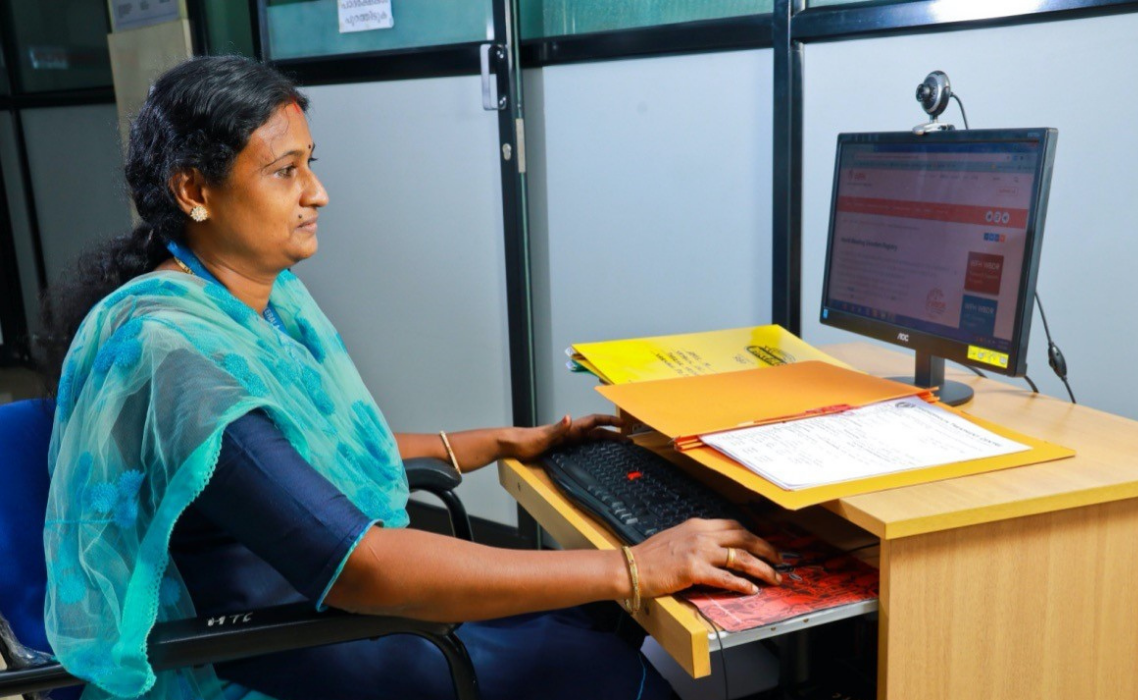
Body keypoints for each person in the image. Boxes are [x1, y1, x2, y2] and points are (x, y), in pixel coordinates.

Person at [40, 55, 782, 700]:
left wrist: (496, 442)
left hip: (317, 597)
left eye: (310, 163)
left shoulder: (247, 300)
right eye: (285, 171)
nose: (317, 192)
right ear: (194, 191)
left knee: (588, 613)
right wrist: (632, 566)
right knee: (590, 656)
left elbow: (300, 456)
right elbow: (359, 565)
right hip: (283, 636)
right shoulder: (178, 354)